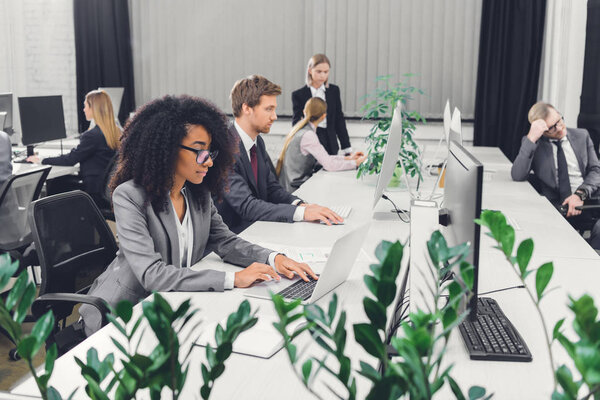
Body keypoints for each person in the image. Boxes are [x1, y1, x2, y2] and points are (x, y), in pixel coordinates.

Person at [79, 95, 318, 336]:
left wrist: (274, 259)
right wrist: (232, 279)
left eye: (210, 151)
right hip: (125, 317)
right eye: (198, 151)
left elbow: (226, 241)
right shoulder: (130, 196)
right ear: (167, 149)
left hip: (175, 307)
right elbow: (152, 275)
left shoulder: (197, 193)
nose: (208, 162)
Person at [216, 75, 343, 234]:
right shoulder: (225, 148)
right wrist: (302, 214)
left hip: (258, 229)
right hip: (235, 237)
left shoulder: (257, 142)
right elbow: (246, 206)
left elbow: (272, 189)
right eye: (269, 109)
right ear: (246, 108)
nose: (274, 116)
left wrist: (300, 205)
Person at [511, 101, 600, 249]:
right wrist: (531, 138)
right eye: (552, 128)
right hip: (555, 207)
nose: (559, 128)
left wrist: (579, 195)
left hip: (586, 202)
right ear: (542, 130)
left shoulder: (582, 135)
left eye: (559, 120)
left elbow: (596, 170)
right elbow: (517, 175)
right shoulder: (535, 144)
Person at [27, 90, 120, 203]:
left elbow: (70, 159)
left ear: (93, 109)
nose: (84, 109)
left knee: (56, 183)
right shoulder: (115, 131)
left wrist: (41, 160)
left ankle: (53, 218)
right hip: (105, 187)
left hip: (92, 189)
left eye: (85, 106)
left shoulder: (92, 136)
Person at [277, 97, 366, 192]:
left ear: (304, 111)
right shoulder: (308, 135)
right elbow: (329, 165)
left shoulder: (300, 129)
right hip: (298, 189)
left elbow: (325, 158)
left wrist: (348, 158)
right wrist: (356, 163)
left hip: (293, 184)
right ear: (323, 116)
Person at [291, 54, 351, 156]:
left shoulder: (334, 91)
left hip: (330, 142)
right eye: (319, 71)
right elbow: (297, 123)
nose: (322, 75)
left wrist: (347, 148)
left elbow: (339, 120)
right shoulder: (299, 95)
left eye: (326, 72)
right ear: (310, 70)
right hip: (310, 142)